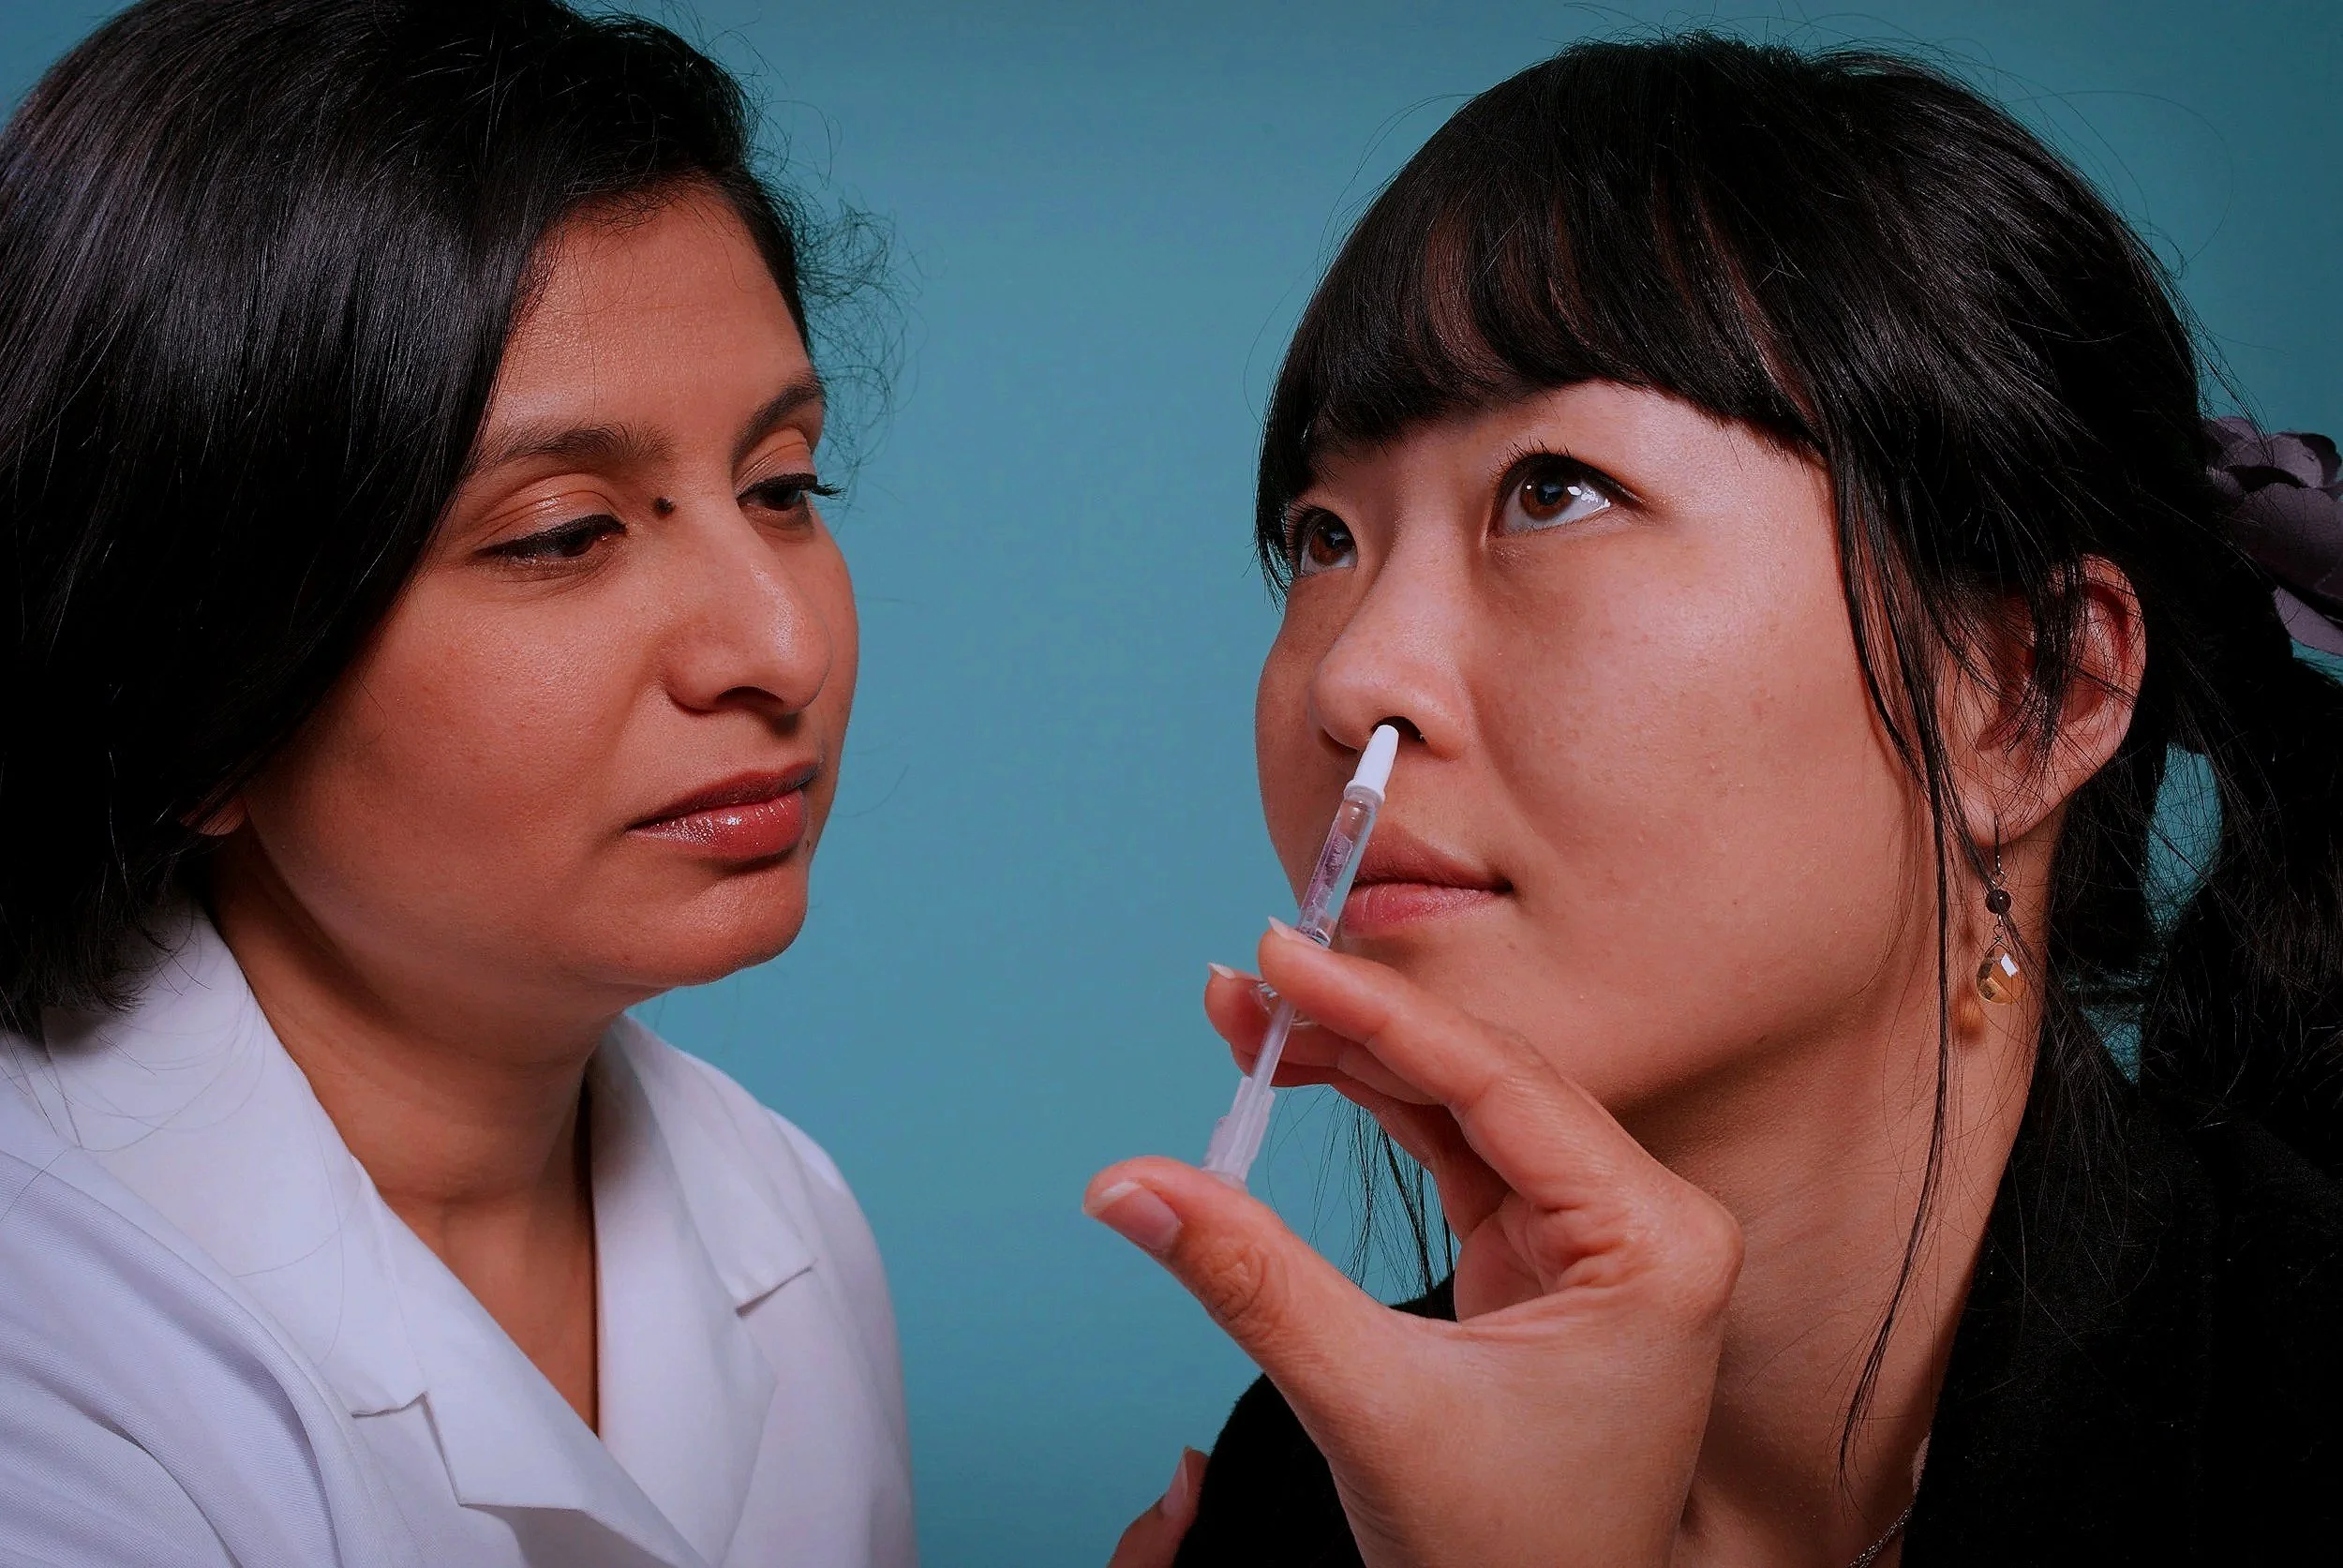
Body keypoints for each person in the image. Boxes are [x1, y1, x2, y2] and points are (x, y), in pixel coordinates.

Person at [1094, 35, 2343, 1568]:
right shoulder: (1326, 1487)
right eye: (1324, 534)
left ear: (2029, 699)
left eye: (1554, 489)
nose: (1354, 681)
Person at [0, 3, 913, 1564]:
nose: (777, 643)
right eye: (564, 532)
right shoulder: (43, 1343)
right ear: (200, 692)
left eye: (782, 487)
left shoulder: (786, 1213)